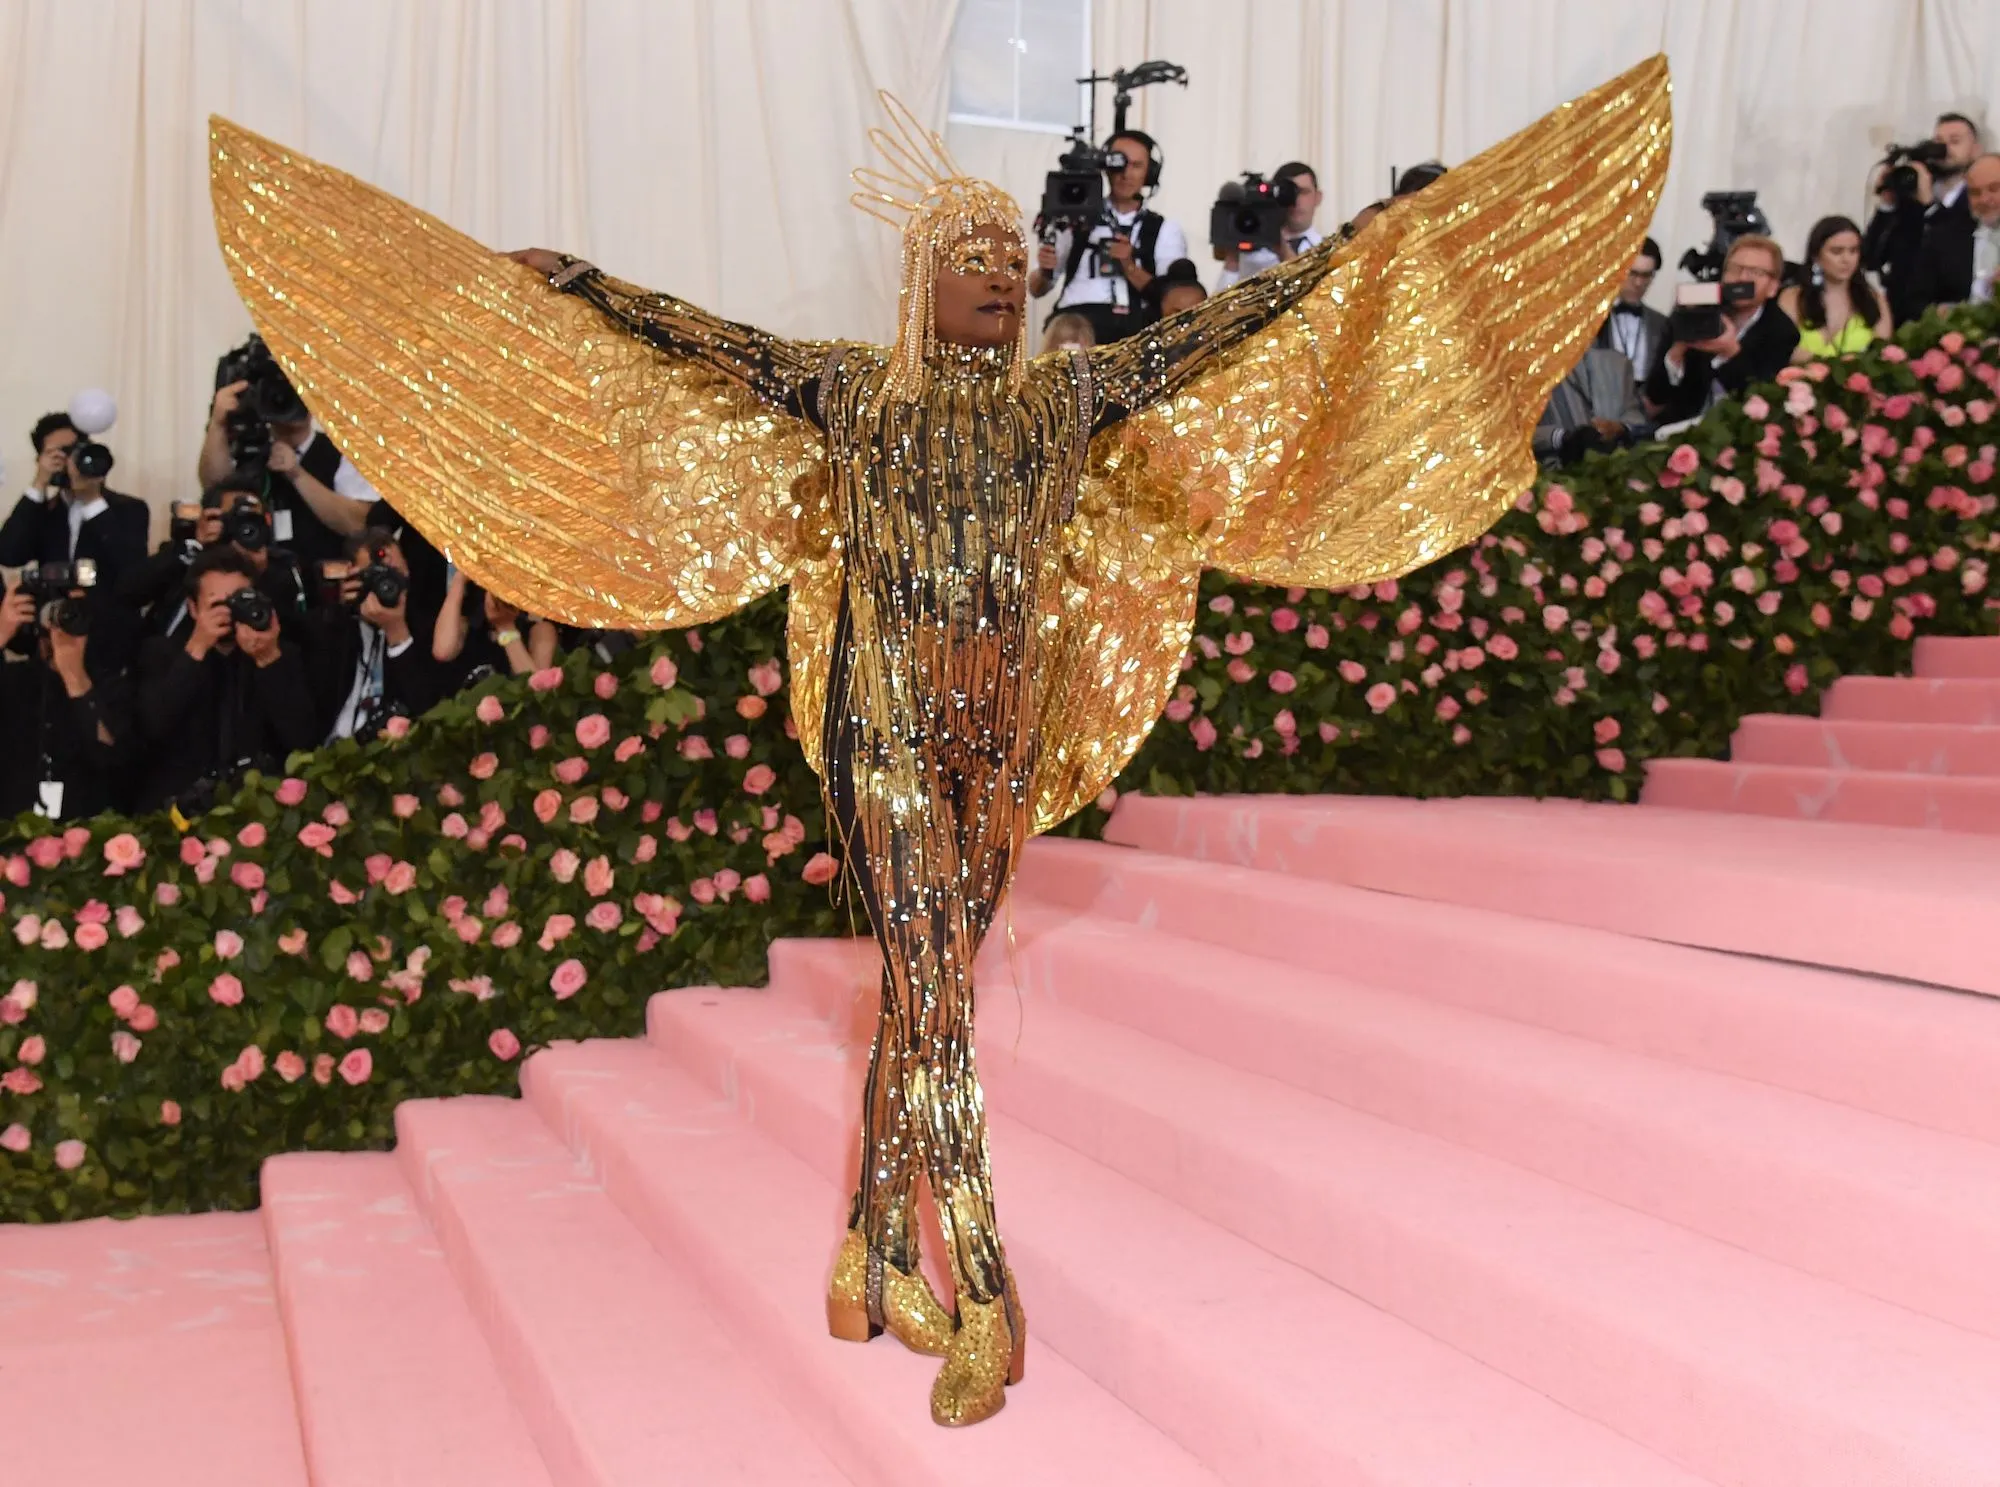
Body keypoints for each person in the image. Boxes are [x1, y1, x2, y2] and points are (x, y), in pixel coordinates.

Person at [210, 59, 1669, 1427]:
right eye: (969, 252)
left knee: (927, 993)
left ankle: (863, 1251)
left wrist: (1367, 250)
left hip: (1003, 736)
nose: (1000, 271)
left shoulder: (1069, 399)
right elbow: (700, 340)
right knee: (942, 1000)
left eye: (1012, 256)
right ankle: (982, 1290)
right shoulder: (855, 397)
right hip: (885, 727)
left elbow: (1240, 323)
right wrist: (575, 281)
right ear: (922, 277)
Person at [133, 547, 319, 814]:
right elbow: (153, 728)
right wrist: (196, 649)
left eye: (239, 601)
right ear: (193, 608)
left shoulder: (282, 653)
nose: (229, 614)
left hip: (257, 805)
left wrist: (268, 659)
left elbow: (302, 738)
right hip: (179, 805)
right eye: (217, 605)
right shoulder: (162, 653)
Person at [197, 367, 381, 567]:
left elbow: (356, 524)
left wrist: (297, 475)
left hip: (325, 584)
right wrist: (218, 424)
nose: (288, 399)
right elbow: (213, 487)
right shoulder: (250, 451)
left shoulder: (343, 452)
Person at [1027, 129, 1188, 342]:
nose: (1126, 174)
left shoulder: (1165, 229)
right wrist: (1046, 272)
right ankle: (1077, 375)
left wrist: (1130, 267)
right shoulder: (1074, 217)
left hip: (1139, 323)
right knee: (1070, 333)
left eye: (1136, 166)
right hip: (1077, 319)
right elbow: (1036, 289)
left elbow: (1176, 298)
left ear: (1150, 173)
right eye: (1119, 164)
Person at [0, 576, 135, 820]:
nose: (64, 621)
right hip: (11, 834)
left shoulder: (112, 684)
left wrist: (74, 675)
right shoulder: (13, 679)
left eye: (75, 611)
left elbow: (111, 757)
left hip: (84, 833)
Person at [303, 532, 444, 744]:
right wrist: (340, 613)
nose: (385, 585)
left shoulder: (429, 628)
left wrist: (397, 632)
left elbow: (429, 712)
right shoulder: (331, 629)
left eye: (394, 573)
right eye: (374, 576)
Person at [1645, 233, 1799, 427]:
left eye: (1755, 272)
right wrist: (1675, 356)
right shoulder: (1697, 308)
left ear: (1773, 287)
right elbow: (1655, 395)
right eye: (1735, 269)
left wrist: (1730, 353)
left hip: (1740, 436)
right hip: (1678, 430)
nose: (1742, 279)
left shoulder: (1781, 331)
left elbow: (1759, 401)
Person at [0, 413, 150, 590]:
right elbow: (9, 556)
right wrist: (39, 484)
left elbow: (134, 571)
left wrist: (92, 499)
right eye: (60, 452)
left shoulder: (130, 508)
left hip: (107, 614)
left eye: (75, 450)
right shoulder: (43, 512)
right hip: (54, 612)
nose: (70, 460)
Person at [1863, 112, 1982, 323]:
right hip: (1899, 316)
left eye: (1955, 141)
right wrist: (1887, 204)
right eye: (1938, 142)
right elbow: (1871, 257)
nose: (1945, 149)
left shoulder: (1977, 200)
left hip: (1950, 319)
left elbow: (1957, 254)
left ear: (1975, 150)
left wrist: (1929, 206)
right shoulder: (1910, 197)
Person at [1778, 216, 1893, 363]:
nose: (1846, 259)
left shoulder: (1874, 299)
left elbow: (1882, 353)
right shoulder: (1792, 298)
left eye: (1853, 251)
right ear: (1816, 256)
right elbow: (1783, 349)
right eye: (1837, 251)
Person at [433, 564, 559, 685]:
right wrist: (460, 579)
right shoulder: (468, 624)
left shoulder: (540, 631)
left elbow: (537, 690)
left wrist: (506, 628)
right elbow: (442, 651)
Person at [1216, 161, 1324, 289]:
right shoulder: (1251, 250)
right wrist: (1232, 258)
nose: (1296, 201)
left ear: (1318, 197)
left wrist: (1283, 250)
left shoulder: (1327, 249)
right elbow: (1221, 302)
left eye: (1303, 192)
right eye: (1289, 193)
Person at [1533, 348, 1648, 466]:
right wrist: (1560, 437)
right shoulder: (1524, 372)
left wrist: (1621, 427)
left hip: (1619, 466)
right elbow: (1516, 434)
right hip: (1557, 470)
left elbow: (1635, 416)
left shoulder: (1617, 363)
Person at [1594, 236, 1671, 382]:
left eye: (1646, 275)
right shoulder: (1592, 320)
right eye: (1632, 273)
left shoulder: (1662, 324)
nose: (1638, 283)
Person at [1964, 153, 2000, 304]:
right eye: (1975, 192)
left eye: (1994, 188)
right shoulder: (1943, 236)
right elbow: (1917, 301)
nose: (1984, 199)